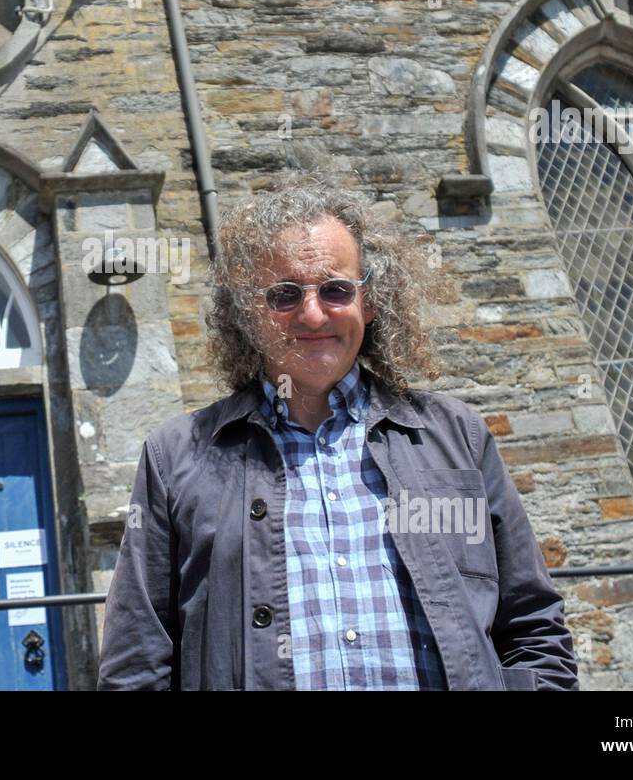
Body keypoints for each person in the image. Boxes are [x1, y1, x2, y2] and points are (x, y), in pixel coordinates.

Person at [96, 176, 579, 690]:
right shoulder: (176, 457)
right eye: (283, 295)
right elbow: (135, 662)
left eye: (335, 289)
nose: (312, 313)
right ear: (248, 315)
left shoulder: (457, 436)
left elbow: (534, 632)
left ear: (369, 303)